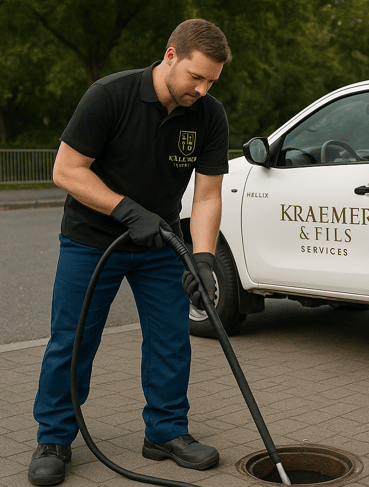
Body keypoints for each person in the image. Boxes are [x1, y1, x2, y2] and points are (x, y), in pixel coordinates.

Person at [28, 19, 231, 486]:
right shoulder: (109, 95)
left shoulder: (209, 115)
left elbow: (207, 196)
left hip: (161, 243)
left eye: (211, 82)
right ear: (171, 56)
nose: (201, 89)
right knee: (72, 341)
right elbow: (66, 169)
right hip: (91, 240)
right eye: (195, 77)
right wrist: (125, 209)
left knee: (171, 341)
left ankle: (165, 433)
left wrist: (202, 258)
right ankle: (55, 437)